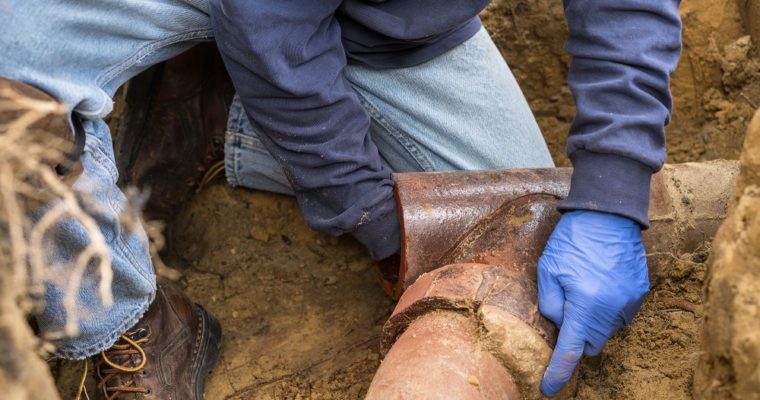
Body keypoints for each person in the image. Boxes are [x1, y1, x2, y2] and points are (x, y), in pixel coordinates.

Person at [0, 0, 682, 398]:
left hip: (385, 18)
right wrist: (379, 221)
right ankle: (123, 321)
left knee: (514, 245)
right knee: (8, 88)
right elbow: (273, 33)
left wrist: (611, 196)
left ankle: (218, 114)